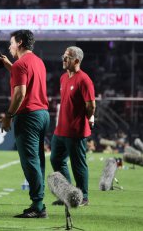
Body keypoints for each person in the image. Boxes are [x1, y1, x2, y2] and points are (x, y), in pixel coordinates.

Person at [0, 30, 50, 218]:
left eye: (11, 43)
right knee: (38, 160)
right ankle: (39, 201)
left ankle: (38, 205)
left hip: (28, 116)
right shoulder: (37, 61)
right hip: (42, 114)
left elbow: (20, 93)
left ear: (19, 43)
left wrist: (8, 115)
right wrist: (10, 66)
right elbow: (27, 79)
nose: (9, 47)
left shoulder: (21, 64)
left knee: (30, 162)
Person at [50, 46, 95, 206]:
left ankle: (83, 197)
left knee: (78, 165)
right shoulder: (63, 78)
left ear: (76, 60)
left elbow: (91, 105)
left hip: (75, 131)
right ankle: (69, 194)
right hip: (60, 129)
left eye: (67, 57)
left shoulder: (84, 79)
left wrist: (86, 119)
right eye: (64, 56)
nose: (64, 59)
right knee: (56, 159)